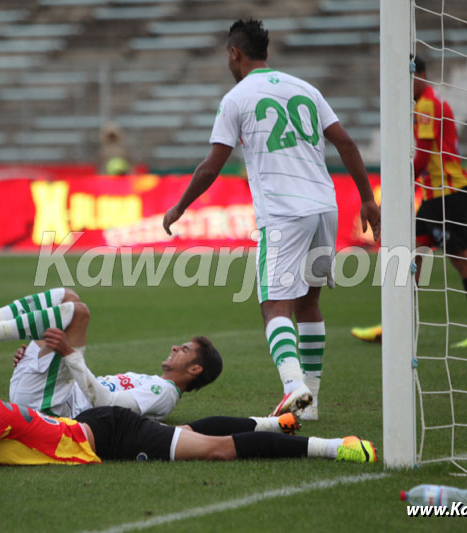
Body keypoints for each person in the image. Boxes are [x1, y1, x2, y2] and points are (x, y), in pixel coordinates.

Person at [162, 19, 381, 422]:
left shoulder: (237, 98)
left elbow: (212, 165)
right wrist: (368, 199)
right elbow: (346, 142)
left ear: (234, 53)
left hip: (284, 213)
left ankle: (293, 389)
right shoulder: (305, 88)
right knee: (310, 302)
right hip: (324, 208)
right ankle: (310, 399)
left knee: (273, 306)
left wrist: (179, 207)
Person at [0, 288, 297, 434]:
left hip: (50, 407)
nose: (176, 347)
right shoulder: (150, 379)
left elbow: (103, 404)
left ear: (194, 370)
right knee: (67, 295)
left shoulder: (164, 393)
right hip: (48, 386)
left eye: (185, 350)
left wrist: (68, 357)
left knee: (79, 313)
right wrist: (54, 360)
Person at [0, 364, 377, 470]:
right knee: (182, 434)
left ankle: (335, 446)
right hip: (97, 427)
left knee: (213, 449)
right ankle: (272, 423)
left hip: (109, 433)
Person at [351, 55, 467, 348]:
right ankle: (394, 325)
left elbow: (425, 153)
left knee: (463, 262)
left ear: (419, 74)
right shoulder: (430, 103)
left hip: (447, 195)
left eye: (407, 77)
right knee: (409, 254)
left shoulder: (427, 105)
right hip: (438, 195)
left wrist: (400, 180)